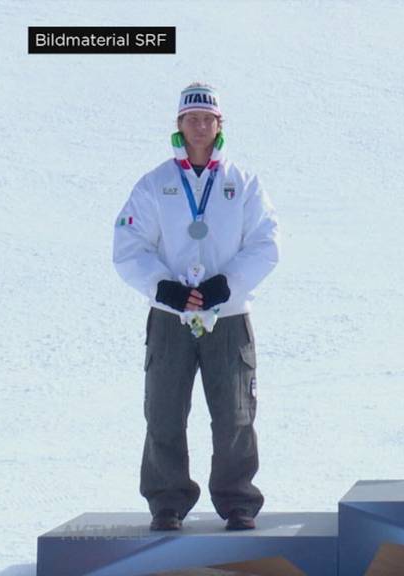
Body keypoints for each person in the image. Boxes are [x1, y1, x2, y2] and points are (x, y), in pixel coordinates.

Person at [113, 82, 279, 531]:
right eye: (192, 119)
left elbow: (266, 243)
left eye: (208, 119)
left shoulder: (242, 183)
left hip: (227, 317)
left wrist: (228, 285)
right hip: (171, 318)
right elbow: (128, 246)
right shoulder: (156, 184)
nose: (200, 126)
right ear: (179, 125)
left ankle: (238, 501)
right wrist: (162, 288)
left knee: (235, 414)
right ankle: (167, 501)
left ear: (220, 125)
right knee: (164, 410)